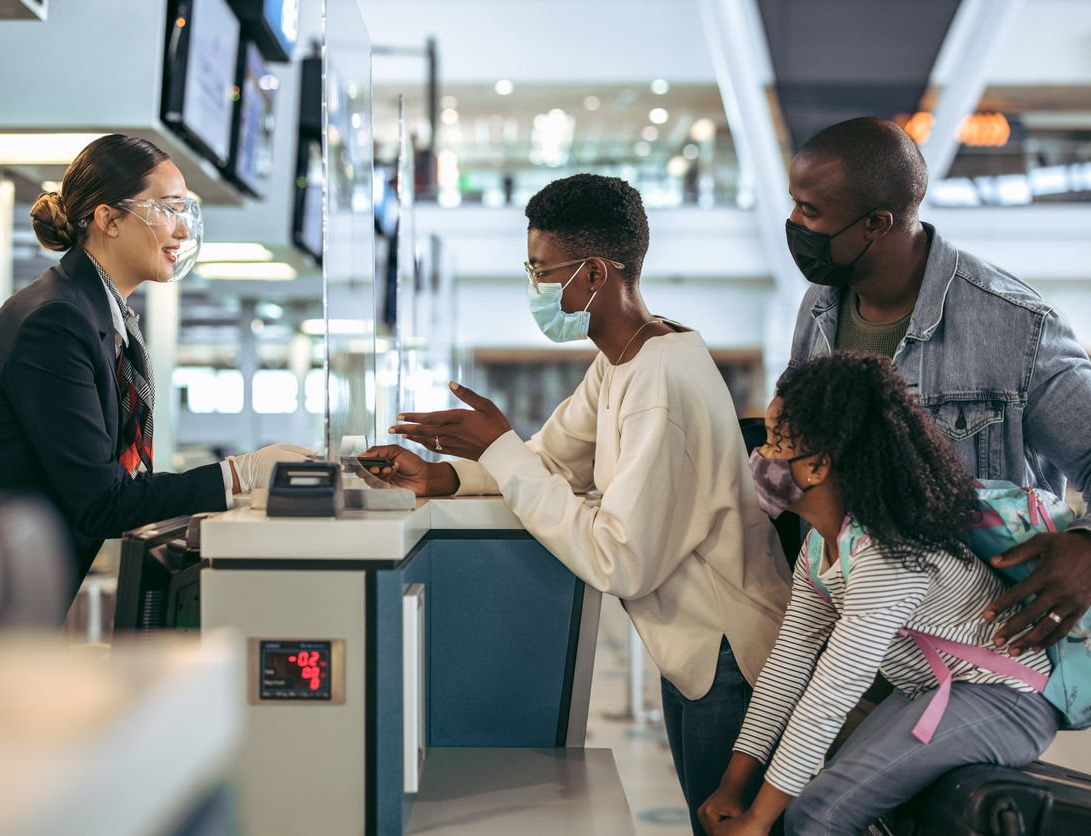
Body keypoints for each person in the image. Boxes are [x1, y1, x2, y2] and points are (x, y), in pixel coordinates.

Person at [363, 173, 792, 834]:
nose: (533, 288)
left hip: (729, 656)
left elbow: (620, 559)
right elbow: (551, 458)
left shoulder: (659, 380)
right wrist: (443, 478)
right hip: (696, 652)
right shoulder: (624, 358)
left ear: (593, 273)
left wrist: (498, 446)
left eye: (540, 271)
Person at [0, 134, 308, 611]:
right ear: (108, 219)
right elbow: (104, 502)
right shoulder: (55, 320)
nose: (181, 232)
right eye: (168, 209)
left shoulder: (98, 316)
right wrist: (236, 475)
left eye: (185, 212)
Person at [700, 353, 1061, 836]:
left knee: (817, 814)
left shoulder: (890, 555)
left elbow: (831, 692)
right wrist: (733, 784)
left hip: (1006, 699)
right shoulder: (823, 544)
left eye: (773, 441)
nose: (760, 456)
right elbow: (791, 661)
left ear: (819, 464)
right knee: (820, 799)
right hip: (937, 690)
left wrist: (759, 819)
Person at [784, 116, 1091, 658]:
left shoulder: (1016, 326)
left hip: (971, 645)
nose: (793, 222)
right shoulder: (820, 307)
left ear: (876, 222)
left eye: (809, 211)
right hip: (847, 637)